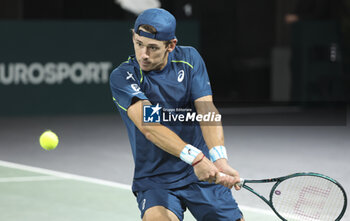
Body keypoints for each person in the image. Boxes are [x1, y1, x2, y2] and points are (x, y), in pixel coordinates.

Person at [109, 8, 244, 221]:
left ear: (171, 45)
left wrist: (219, 159)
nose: (143, 54)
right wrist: (196, 159)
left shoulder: (189, 59)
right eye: (139, 43)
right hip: (156, 179)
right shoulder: (125, 76)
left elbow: (206, 110)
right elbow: (150, 126)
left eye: (152, 47)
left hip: (202, 176)